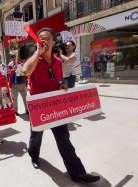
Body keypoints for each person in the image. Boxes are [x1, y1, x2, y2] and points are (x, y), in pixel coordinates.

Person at [22, 27, 100, 183]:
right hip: (39, 108)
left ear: (53, 41)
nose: (44, 41)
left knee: (64, 139)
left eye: (47, 38)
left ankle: (78, 172)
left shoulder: (58, 61)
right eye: (41, 39)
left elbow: (58, 80)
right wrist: (38, 52)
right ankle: (34, 155)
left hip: (55, 108)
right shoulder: (34, 59)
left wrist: (62, 85)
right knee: (36, 137)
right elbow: (25, 71)